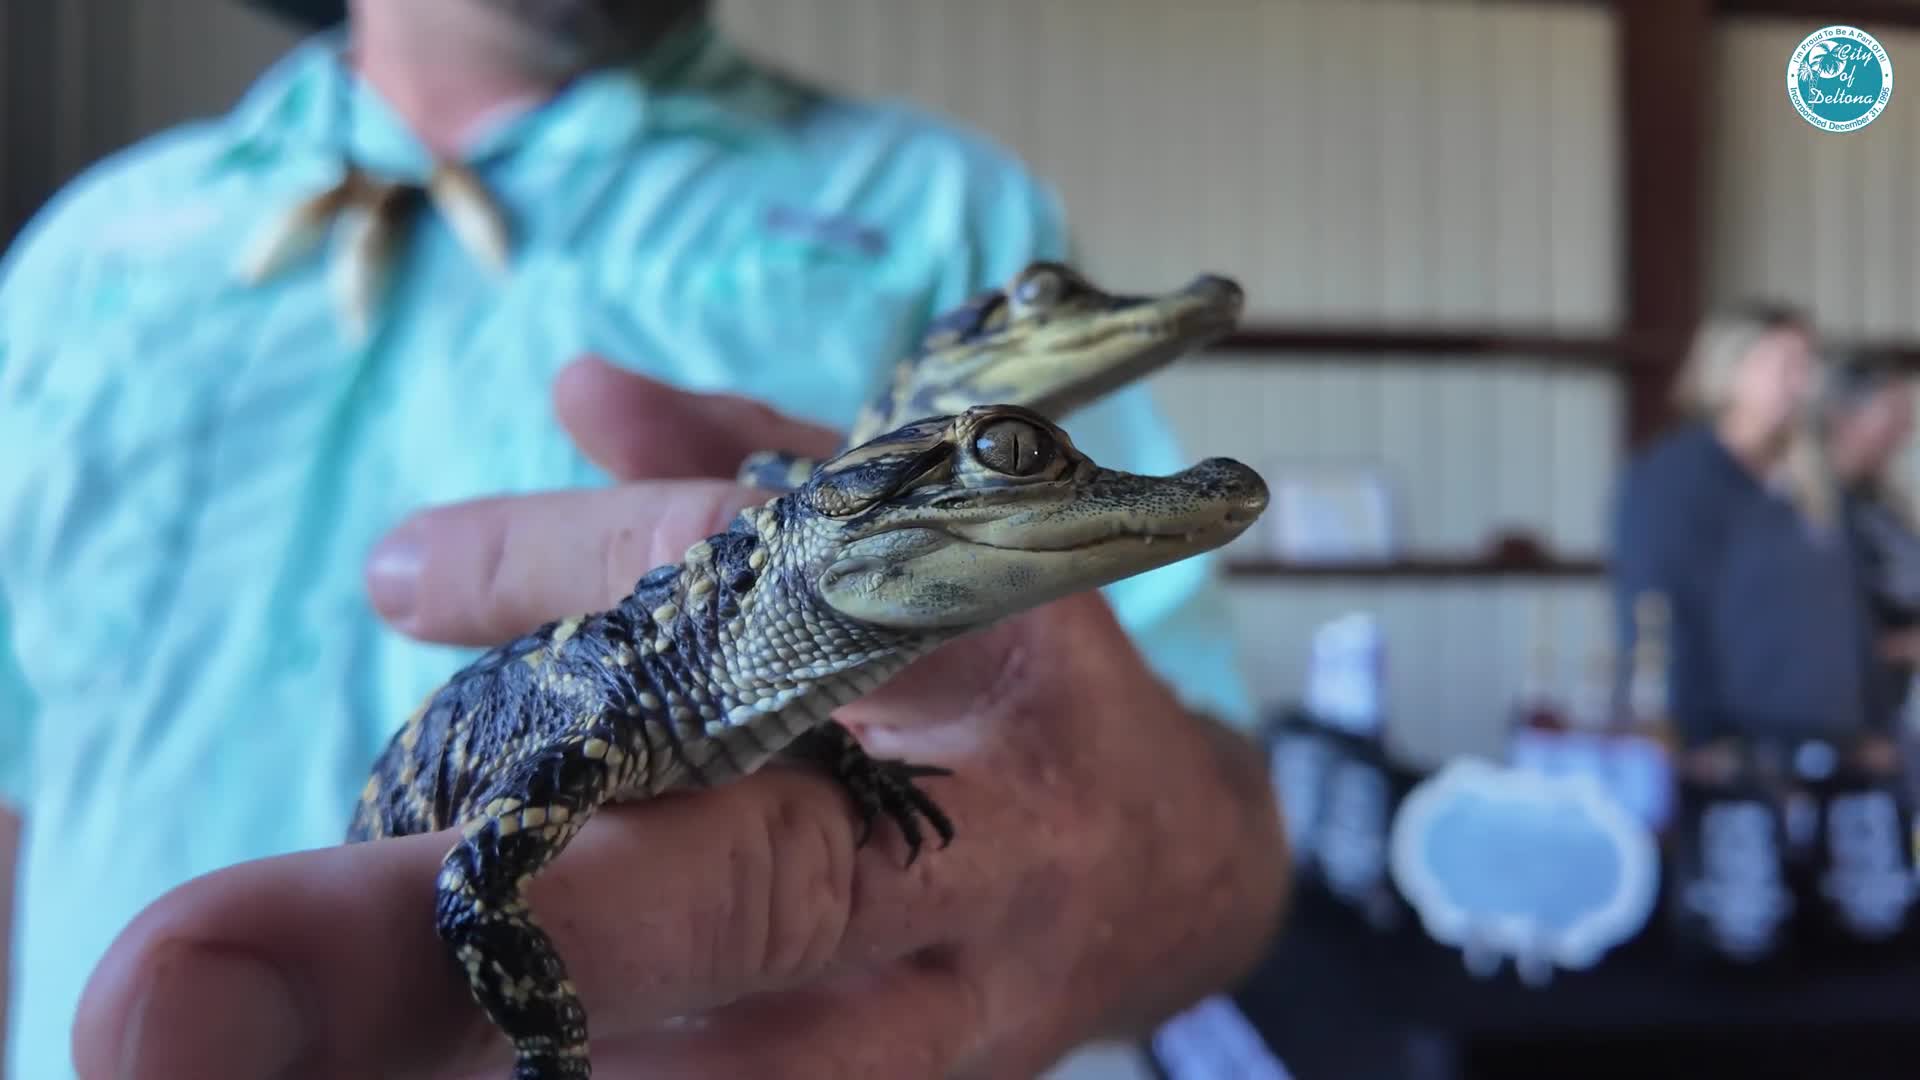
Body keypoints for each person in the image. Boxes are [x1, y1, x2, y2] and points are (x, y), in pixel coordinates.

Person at [0, 2, 1289, 1077]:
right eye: (1006, 451)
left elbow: (1220, 825)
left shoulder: (948, 210)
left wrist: (1128, 859)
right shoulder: (75, 255)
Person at [1608, 301, 1883, 755]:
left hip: (1831, 742)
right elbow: (1656, 610)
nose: (1802, 383)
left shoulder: (1813, 481)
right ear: (1729, 369)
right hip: (1734, 748)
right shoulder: (1674, 480)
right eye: (1785, 365)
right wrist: (1691, 735)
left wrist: (1872, 722)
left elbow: (1851, 608)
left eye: (1807, 366)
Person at [1822, 354, 1920, 748]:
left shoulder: (1883, 503)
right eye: (1892, 415)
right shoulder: (1818, 508)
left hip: (1898, 707)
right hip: (1851, 719)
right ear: (1846, 416)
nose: (1906, 429)